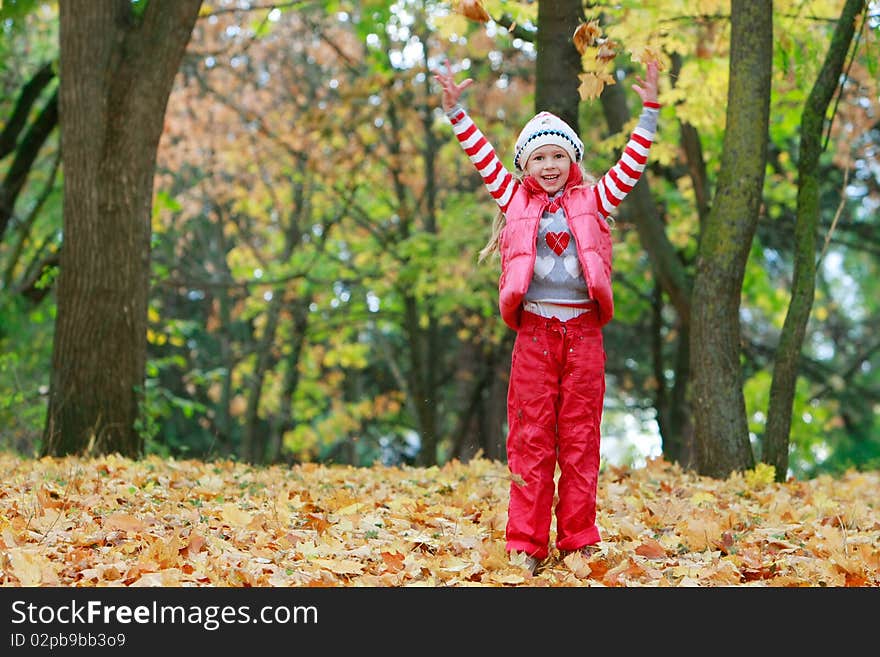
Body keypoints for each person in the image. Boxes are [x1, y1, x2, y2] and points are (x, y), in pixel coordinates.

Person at [434, 58, 660, 575]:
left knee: (580, 438)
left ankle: (580, 539)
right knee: (532, 439)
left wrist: (648, 113)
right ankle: (527, 544)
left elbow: (631, 165)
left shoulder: (595, 200)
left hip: (583, 333)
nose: (550, 165)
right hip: (534, 333)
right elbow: (481, 156)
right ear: (525, 166)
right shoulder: (514, 199)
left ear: (574, 160)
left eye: (559, 154)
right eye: (539, 157)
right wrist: (456, 113)